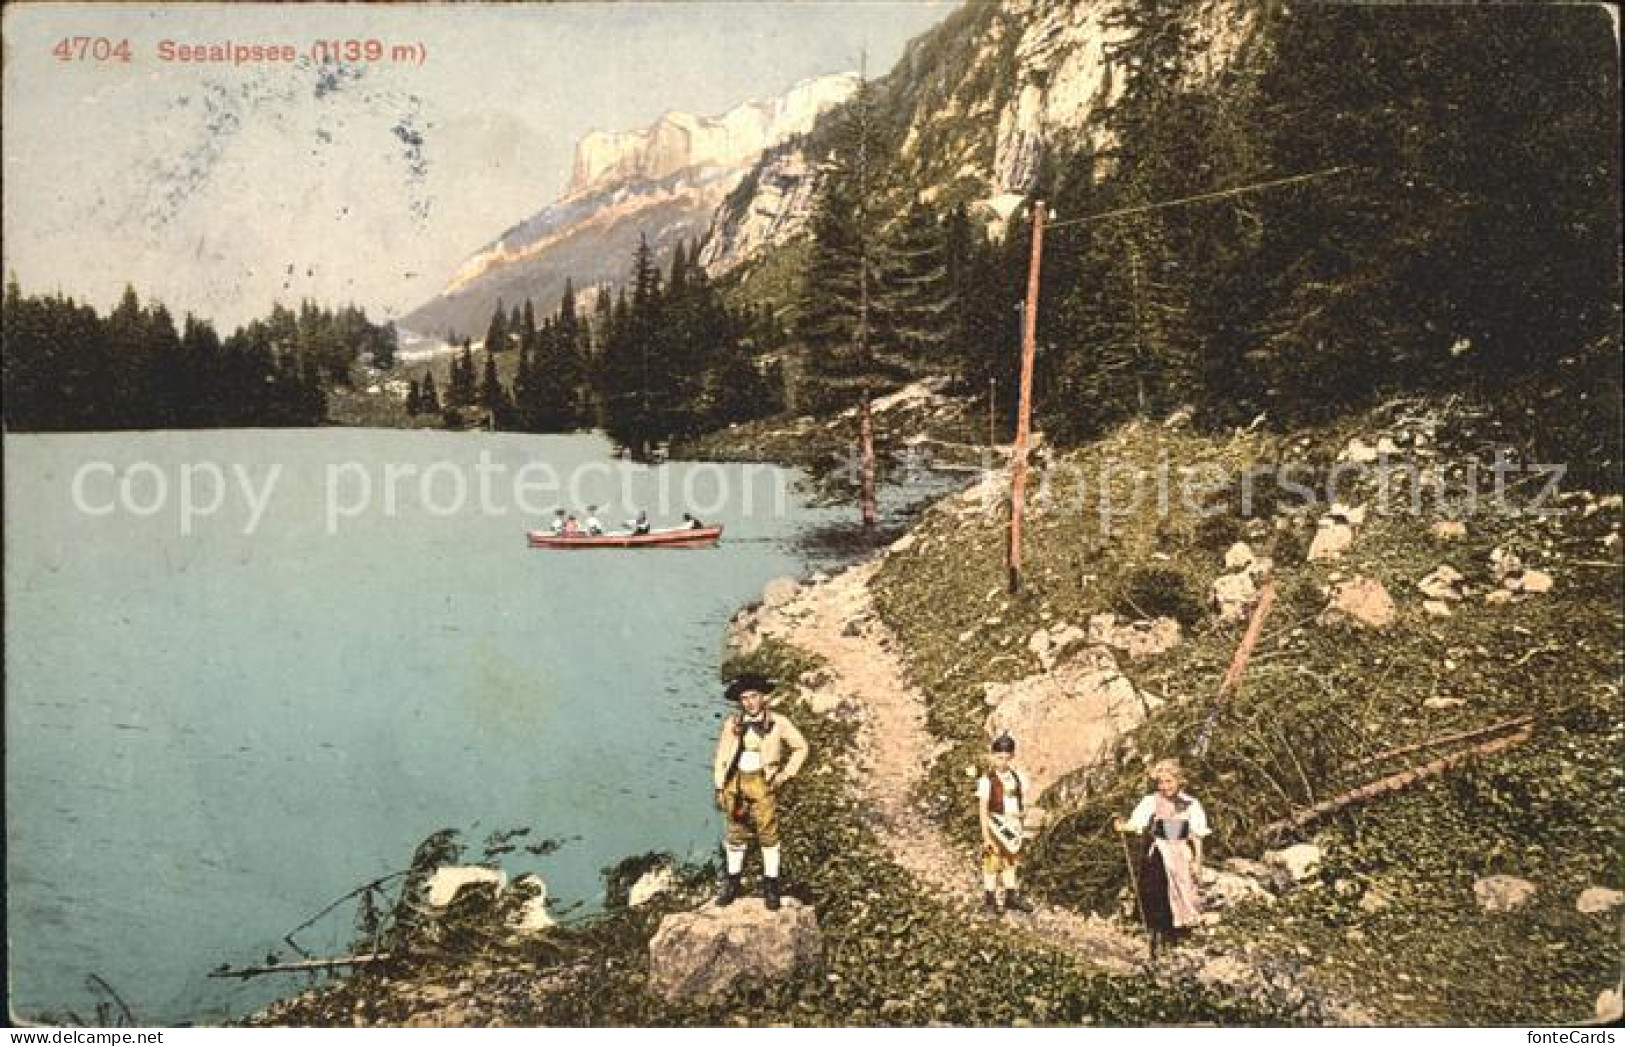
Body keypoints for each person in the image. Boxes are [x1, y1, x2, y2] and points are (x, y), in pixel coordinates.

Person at [712, 673, 809, 910]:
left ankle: (771, 887)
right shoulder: (733, 724)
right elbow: (722, 755)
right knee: (736, 832)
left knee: (768, 833)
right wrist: (719, 784)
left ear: (763, 697)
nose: (749, 702)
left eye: (754, 696)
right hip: (735, 783)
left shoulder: (777, 723)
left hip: (762, 783)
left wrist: (785, 774)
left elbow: (801, 747)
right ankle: (732, 884)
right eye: (744, 698)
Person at [1115, 758, 1210, 952]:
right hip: (1158, 855)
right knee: (1156, 893)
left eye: (1169, 781)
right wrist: (1122, 826)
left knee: (1180, 894)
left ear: (1179, 781)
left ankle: (1175, 939)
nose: (1164, 786)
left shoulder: (1191, 804)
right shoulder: (1151, 801)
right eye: (1161, 782)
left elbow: (1197, 837)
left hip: (1181, 857)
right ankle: (1154, 940)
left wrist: (1198, 863)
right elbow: (1137, 824)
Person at [976, 732, 1034, 915]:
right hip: (994, 823)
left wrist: (1022, 816)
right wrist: (985, 834)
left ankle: (1010, 896)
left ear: (1012, 757)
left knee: (1010, 861)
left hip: (1013, 825)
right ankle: (990, 900)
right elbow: (983, 808)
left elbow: (1022, 801)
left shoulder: (1018, 778)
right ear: (993, 756)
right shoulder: (987, 781)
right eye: (999, 757)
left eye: (1006, 758)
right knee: (991, 861)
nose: (1003, 762)